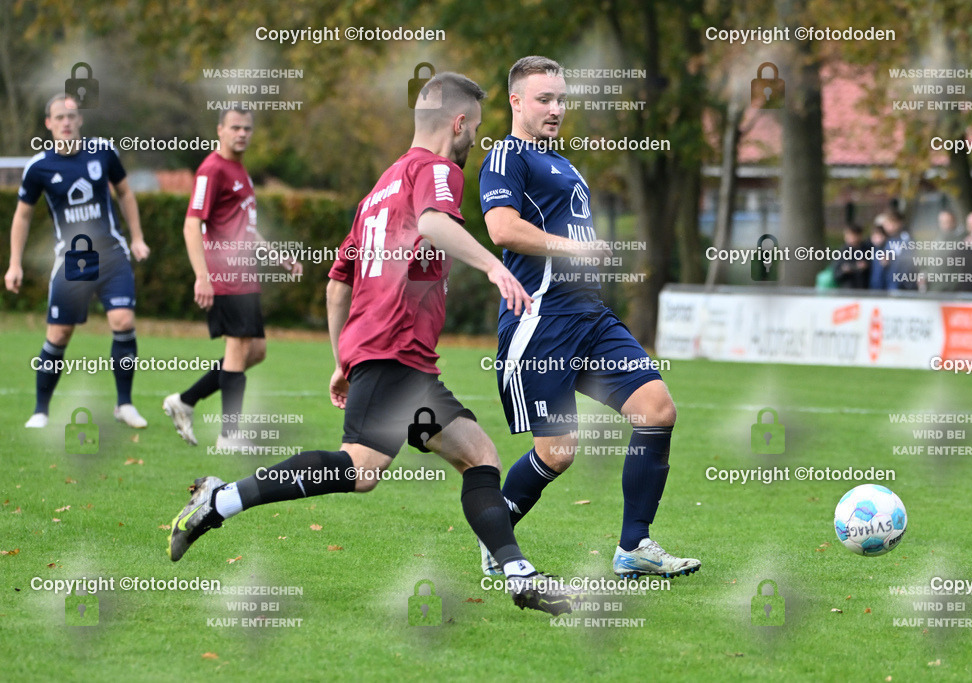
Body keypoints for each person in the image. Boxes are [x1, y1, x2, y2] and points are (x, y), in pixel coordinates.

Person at [167, 72, 576, 616]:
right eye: (475, 129)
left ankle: (518, 575)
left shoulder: (378, 191)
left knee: (478, 455)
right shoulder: (438, 171)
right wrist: (493, 267)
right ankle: (221, 500)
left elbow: (337, 284)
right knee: (359, 469)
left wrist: (343, 358)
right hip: (395, 347)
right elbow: (433, 222)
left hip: (394, 355)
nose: (475, 140)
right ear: (458, 123)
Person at [477, 56, 700, 579]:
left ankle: (634, 546)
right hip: (542, 320)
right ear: (516, 102)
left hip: (591, 317)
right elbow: (502, 228)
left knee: (657, 410)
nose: (556, 108)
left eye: (560, 98)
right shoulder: (507, 156)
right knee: (558, 453)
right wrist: (573, 247)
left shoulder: (563, 164)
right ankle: (495, 538)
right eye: (544, 99)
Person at [5, 94, 149, 429]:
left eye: (71, 116)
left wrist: (138, 238)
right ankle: (40, 410)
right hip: (73, 262)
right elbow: (22, 216)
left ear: (80, 119)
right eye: (59, 117)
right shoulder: (39, 166)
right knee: (59, 334)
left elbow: (125, 193)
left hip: (112, 255)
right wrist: (15, 263)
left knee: (123, 320)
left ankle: (124, 404)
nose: (66, 122)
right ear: (49, 123)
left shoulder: (103, 152)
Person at [162, 107, 302, 452]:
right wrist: (202, 276)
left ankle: (185, 400)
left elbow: (245, 227)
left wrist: (276, 256)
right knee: (238, 348)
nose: (242, 133)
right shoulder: (211, 170)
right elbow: (191, 224)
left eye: (247, 128)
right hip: (225, 274)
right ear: (220, 130)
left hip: (245, 274)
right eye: (235, 127)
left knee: (255, 351)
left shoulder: (240, 170)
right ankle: (229, 435)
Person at [831, 224, 870, 289]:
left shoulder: (867, 249)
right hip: (849, 289)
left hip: (865, 288)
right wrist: (844, 271)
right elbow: (836, 275)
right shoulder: (842, 252)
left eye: (853, 235)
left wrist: (866, 266)